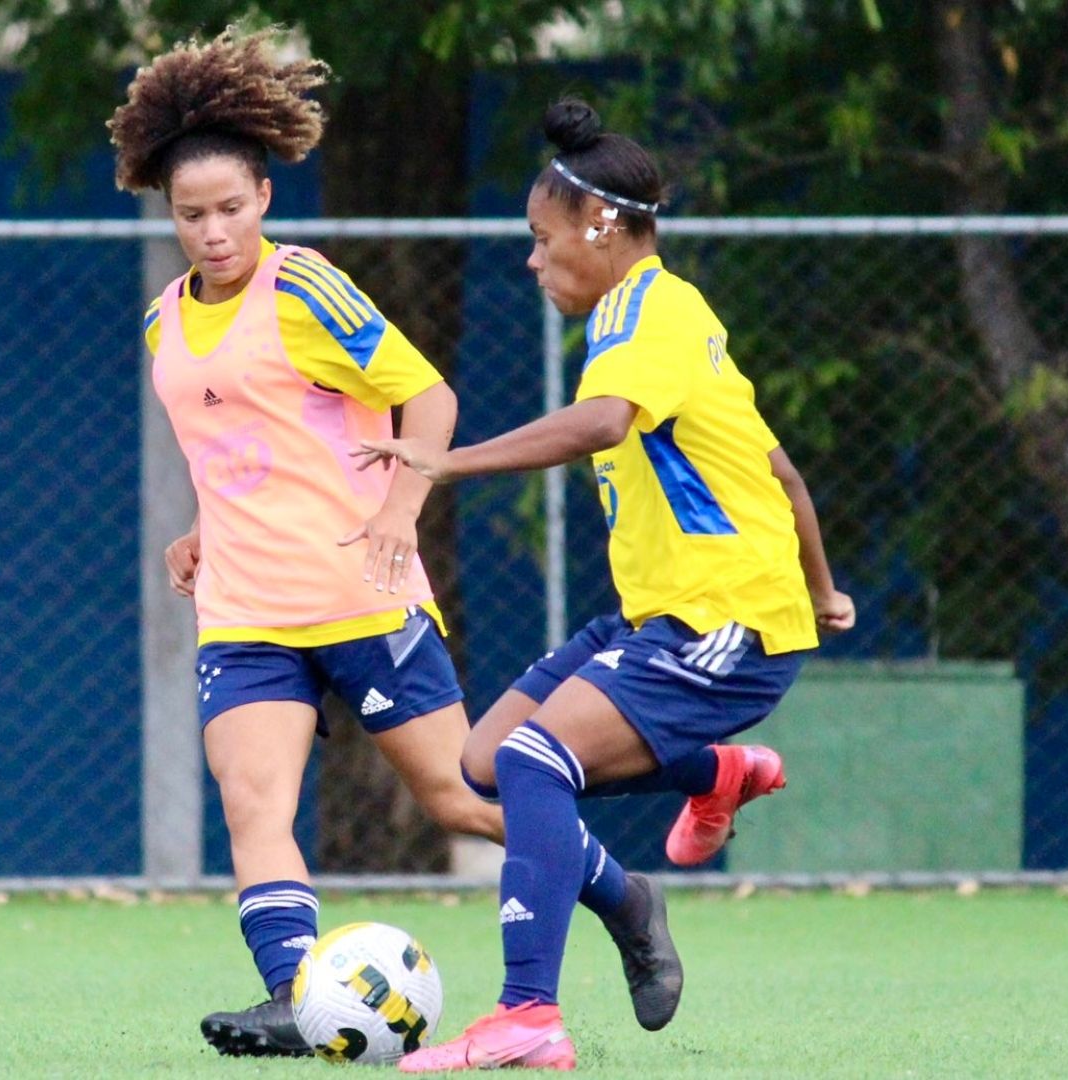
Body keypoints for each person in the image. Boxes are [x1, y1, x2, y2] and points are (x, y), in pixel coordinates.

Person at [108, 33, 682, 1059]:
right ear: (171, 215)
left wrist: (396, 513)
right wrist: (200, 530)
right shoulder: (163, 324)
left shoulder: (304, 290)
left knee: (459, 799)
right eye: (192, 216)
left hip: (360, 590)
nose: (213, 232)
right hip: (244, 608)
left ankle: (624, 896)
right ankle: (295, 994)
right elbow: (240, 448)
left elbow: (429, 398)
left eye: (231, 209)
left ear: (265, 200)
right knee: (253, 803)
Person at [355, 98, 856, 1072]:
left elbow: (599, 424)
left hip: (729, 623)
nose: (535, 261)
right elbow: (780, 473)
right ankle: (680, 828)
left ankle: (527, 1013)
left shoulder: (652, 314)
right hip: (667, 617)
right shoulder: (653, 318)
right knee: (490, 760)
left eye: (543, 240)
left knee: (540, 761)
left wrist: (442, 463)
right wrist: (825, 588)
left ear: (602, 227)